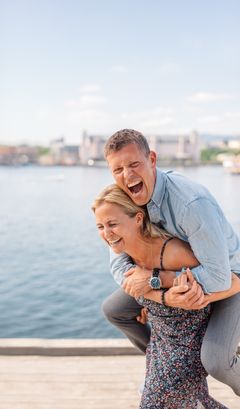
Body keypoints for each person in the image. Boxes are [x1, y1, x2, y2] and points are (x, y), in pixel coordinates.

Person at [102, 129, 240, 396]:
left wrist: (155, 282)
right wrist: (159, 298)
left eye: (134, 164)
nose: (127, 175)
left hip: (231, 275)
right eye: (117, 169)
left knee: (217, 360)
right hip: (176, 279)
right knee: (115, 310)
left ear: (152, 159)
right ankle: (174, 371)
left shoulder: (190, 203)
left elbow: (218, 278)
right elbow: (120, 267)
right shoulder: (122, 200)